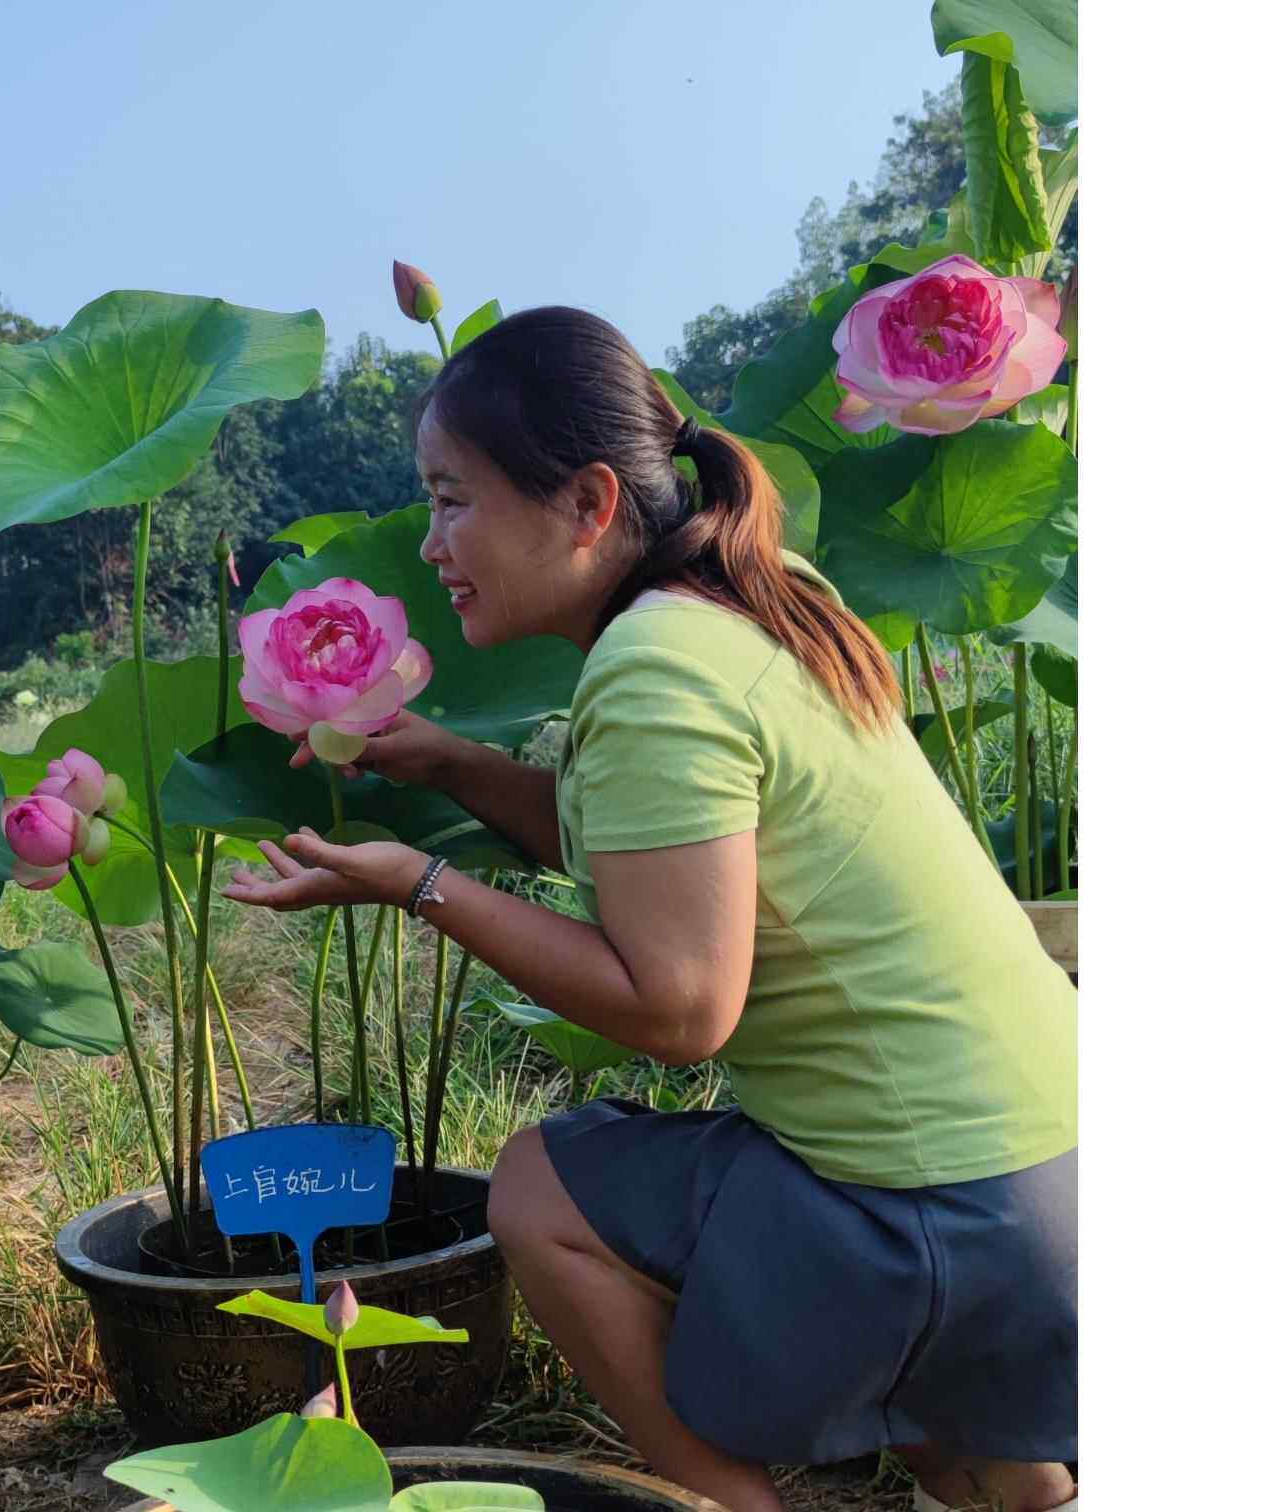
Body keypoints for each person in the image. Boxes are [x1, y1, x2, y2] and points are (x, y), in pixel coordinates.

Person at [222, 306, 1078, 1512]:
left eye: (453, 499)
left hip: (943, 1212)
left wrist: (419, 883)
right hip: (1056, 1169)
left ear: (587, 503)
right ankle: (1005, 1469)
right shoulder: (756, 595)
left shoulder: (653, 666)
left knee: (538, 1188)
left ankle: (735, 1504)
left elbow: (680, 1010)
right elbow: (670, 853)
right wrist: (456, 766)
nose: (429, 544)